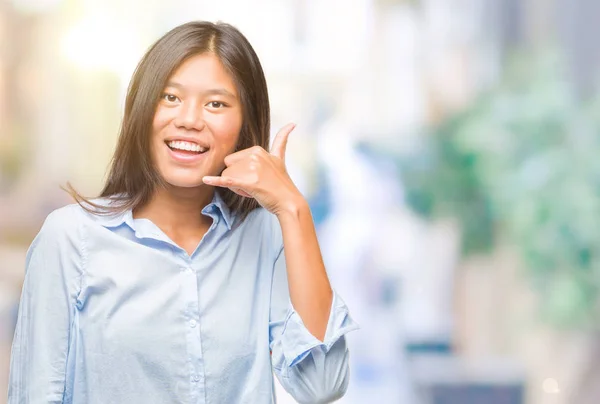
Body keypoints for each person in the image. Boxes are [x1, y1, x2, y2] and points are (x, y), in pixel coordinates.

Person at [8, 21, 358, 404]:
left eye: (216, 104)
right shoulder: (70, 239)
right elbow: (35, 394)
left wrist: (293, 208)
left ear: (245, 123)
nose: (190, 119)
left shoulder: (266, 236)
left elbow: (322, 385)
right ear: (142, 109)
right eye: (170, 97)